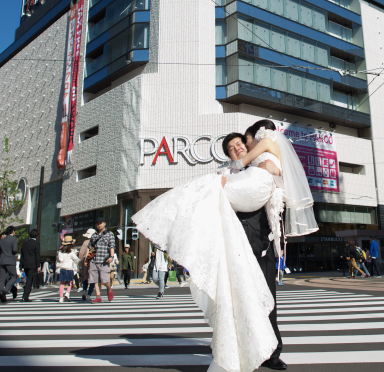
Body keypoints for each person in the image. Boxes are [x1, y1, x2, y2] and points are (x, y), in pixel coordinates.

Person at [133, 119, 318, 372]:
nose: (236, 149)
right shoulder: (227, 173)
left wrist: (277, 172)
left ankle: (272, 353)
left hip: (261, 245)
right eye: (231, 148)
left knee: (268, 300)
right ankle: (245, 347)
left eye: (239, 144)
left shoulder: (264, 164)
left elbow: (280, 189)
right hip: (235, 246)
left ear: (247, 143)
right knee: (239, 299)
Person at [87, 217, 115, 303]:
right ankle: (98, 297)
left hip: (104, 260)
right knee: (95, 280)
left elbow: (112, 246)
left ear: (104, 224)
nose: (99, 225)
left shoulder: (109, 234)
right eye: (98, 224)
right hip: (94, 260)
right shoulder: (94, 235)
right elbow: (90, 247)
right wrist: (86, 259)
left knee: (105, 280)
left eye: (101, 223)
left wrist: (111, 257)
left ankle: (109, 288)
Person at [0, 226, 19, 302]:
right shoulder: (14, 239)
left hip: (2, 260)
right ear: (13, 231)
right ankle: (5, 291)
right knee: (13, 276)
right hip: (10, 260)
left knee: (1, 278)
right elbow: (14, 250)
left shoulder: (1, 241)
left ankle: (0, 293)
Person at [57, 235, 80, 303]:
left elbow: (59, 260)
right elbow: (76, 260)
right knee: (70, 283)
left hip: (62, 269)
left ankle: (61, 298)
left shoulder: (60, 252)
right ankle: (67, 293)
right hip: (69, 269)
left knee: (62, 284)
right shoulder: (71, 252)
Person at [21, 228, 41, 301]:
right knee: (30, 280)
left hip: (25, 264)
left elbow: (22, 255)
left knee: (28, 279)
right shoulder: (36, 244)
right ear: (37, 236)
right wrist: (38, 265)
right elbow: (37, 256)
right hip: (33, 264)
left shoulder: (25, 244)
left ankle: (25, 294)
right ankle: (25, 296)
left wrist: (21, 265)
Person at [78, 229, 96, 301]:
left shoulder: (85, 242)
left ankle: (84, 291)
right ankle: (89, 294)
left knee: (85, 278)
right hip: (93, 262)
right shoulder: (96, 242)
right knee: (93, 279)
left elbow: (80, 254)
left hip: (85, 262)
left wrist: (82, 260)